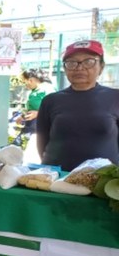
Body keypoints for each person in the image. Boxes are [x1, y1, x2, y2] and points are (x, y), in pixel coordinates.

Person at [37, 40, 119, 171]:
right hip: (57, 179)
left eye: (89, 62)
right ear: (64, 68)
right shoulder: (50, 100)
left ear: (101, 67)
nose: (79, 68)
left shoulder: (115, 97)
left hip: (103, 182)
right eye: (71, 63)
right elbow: (42, 142)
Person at [17, 68, 56, 163]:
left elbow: (54, 108)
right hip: (32, 124)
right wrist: (22, 116)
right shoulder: (34, 91)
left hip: (41, 125)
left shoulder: (47, 89)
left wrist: (38, 113)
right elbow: (31, 107)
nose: (26, 84)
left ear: (31, 79)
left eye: (25, 81)